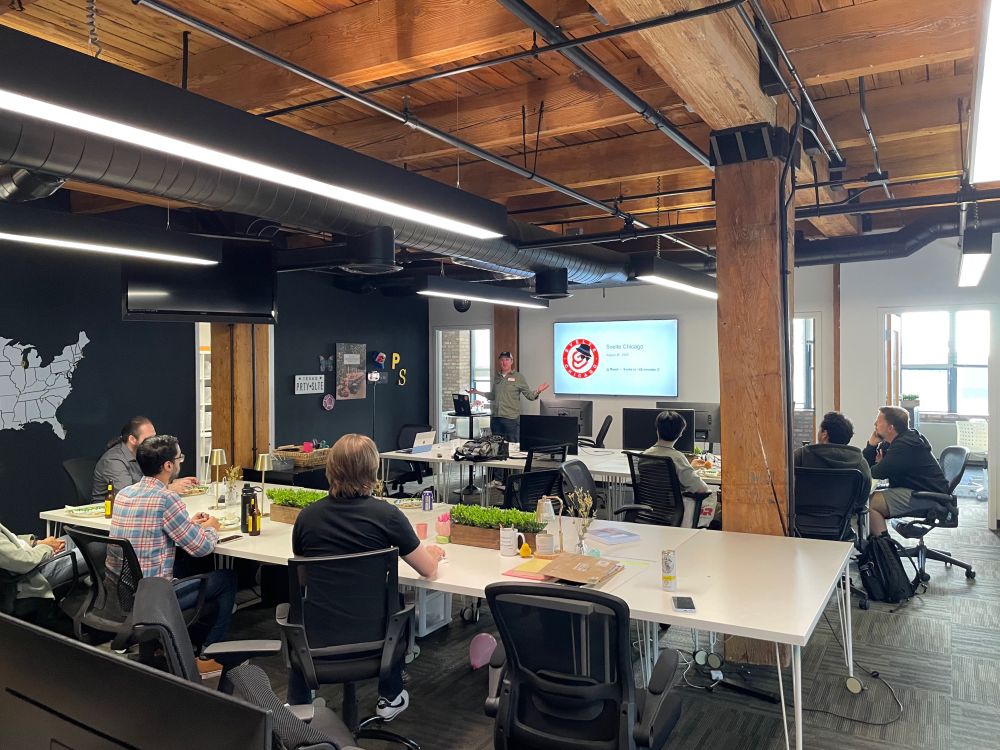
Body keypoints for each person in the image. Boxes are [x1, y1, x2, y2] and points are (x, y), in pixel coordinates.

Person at [291, 433, 446, 721]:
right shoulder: (386, 515)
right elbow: (428, 569)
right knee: (400, 602)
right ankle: (390, 695)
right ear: (372, 470)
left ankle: (299, 703)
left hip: (318, 634)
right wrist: (433, 554)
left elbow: (303, 578)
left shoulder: (307, 518)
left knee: (298, 610)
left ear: (330, 469)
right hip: (376, 634)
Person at [108, 435, 235, 675]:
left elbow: (152, 528)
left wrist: (188, 524)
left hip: (123, 591)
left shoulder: (124, 494)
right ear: (168, 466)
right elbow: (201, 548)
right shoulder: (167, 498)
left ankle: (161, 643)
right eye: (179, 458)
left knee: (189, 569)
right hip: (154, 598)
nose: (180, 463)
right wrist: (211, 529)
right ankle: (209, 655)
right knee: (226, 579)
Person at [863, 406, 949, 535]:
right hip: (919, 491)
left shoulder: (905, 445)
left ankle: (885, 550)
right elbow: (867, 466)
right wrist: (872, 444)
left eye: (878, 421)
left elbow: (876, 472)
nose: (875, 424)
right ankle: (877, 546)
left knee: (869, 503)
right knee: (866, 498)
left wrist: (880, 465)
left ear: (890, 428)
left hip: (928, 497)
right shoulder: (897, 441)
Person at [92, 416, 196, 501]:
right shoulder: (113, 460)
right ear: (132, 439)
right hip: (108, 515)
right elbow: (126, 495)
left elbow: (149, 483)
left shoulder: (144, 454)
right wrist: (169, 488)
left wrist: (173, 482)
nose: (153, 441)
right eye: (148, 438)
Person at [643, 411, 712, 527]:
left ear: (657, 430)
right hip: (675, 513)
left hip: (649, 512)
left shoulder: (645, 455)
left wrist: (690, 468)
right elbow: (701, 489)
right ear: (680, 434)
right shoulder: (677, 458)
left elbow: (661, 479)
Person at [468, 351, 549, 442]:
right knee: (496, 447)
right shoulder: (497, 377)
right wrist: (477, 392)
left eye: (507, 359)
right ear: (499, 361)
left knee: (512, 447)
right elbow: (493, 395)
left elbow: (529, 396)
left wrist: (538, 391)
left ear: (511, 361)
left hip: (511, 420)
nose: (504, 362)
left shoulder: (518, 377)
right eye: (502, 360)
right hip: (496, 419)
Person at [0, 521, 83, 605]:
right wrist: (48, 547)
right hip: (31, 575)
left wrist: (37, 543)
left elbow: (9, 540)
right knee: (93, 550)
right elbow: (23, 561)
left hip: (33, 558)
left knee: (75, 539)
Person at [793, 411, 872, 485]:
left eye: (819, 429)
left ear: (824, 434)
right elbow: (863, 496)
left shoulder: (801, 457)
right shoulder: (860, 463)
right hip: (844, 500)